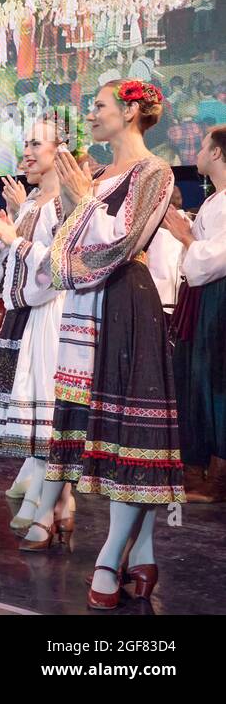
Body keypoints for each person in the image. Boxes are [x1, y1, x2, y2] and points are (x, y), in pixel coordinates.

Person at [30, 80, 182, 610]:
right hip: (86, 309)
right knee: (108, 434)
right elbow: (66, 249)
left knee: (128, 433)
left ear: (131, 110)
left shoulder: (155, 173)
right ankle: (142, 554)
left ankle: (110, 555)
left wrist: (85, 202)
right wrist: (75, 201)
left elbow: (125, 241)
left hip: (126, 305)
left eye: (98, 106)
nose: (89, 115)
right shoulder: (94, 174)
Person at [0, 121, 71, 534]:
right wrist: (10, 228)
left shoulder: (65, 202)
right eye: (25, 143)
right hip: (25, 313)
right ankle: (46, 492)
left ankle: (51, 499)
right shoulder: (33, 204)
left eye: (35, 143)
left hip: (50, 314)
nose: (26, 151)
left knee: (47, 407)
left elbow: (59, 268)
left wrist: (15, 237)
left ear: (58, 151)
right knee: (30, 403)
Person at [168, 125, 226, 502]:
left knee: (215, 381)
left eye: (204, 147)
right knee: (197, 379)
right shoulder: (213, 200)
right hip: (203, 296)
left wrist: (187, 239)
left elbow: (218, 255)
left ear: (218, 154)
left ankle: (218, 478)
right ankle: (199, 466)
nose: (198, 154)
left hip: (219, 297)